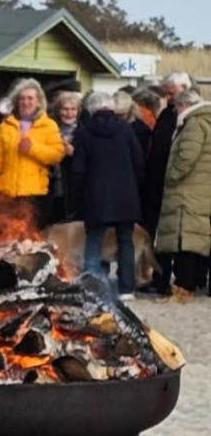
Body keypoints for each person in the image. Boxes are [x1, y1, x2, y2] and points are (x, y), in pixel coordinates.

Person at [71, 92, 144, 300]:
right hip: (125, 195)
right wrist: (134, 187)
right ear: (112, 107)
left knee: (94, 240)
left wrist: (79, 195)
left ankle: (92, 289)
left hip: (96, 195)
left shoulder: (84, 132)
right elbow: (138, 161)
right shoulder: (126, 129)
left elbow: (78, 169)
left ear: (91, 109)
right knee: (126, 241)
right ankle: (126, 289)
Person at [0, 78, 66, 231]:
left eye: (30, 98)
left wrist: (32, 149)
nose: (26, 102)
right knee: (6, 237)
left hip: (35, 195)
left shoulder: (49, 126)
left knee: (30, 238)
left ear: (39, 102)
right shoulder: (5, 126)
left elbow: (57, 155)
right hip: (7, 194)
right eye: (22, 98)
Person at [155, 90, 211, 303]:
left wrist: (171, 176)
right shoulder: (205, 121)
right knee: (194, 238)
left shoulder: (194, 124)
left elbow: (187, 156)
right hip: (201, 189)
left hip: (187, 190)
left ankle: (183, 289)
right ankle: (190, 285)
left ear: (183, 105)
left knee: (183, 240)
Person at [143, 72, 193, 295]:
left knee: (175, 234)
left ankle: (176, 280)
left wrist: (173, 176)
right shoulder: (167, 114)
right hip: (157, 181)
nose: (167, 96)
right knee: (159, 233)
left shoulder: (188, 118)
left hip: (174, 182)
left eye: (171, 92)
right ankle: (159, 277)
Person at [48, 92, 83, 223]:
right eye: (65, 109)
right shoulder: (50, 129)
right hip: (52, 185)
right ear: (58, 110)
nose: (69, 113)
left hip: (74, 188)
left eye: (73, 109)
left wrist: (75, 154)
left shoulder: (84, 132)